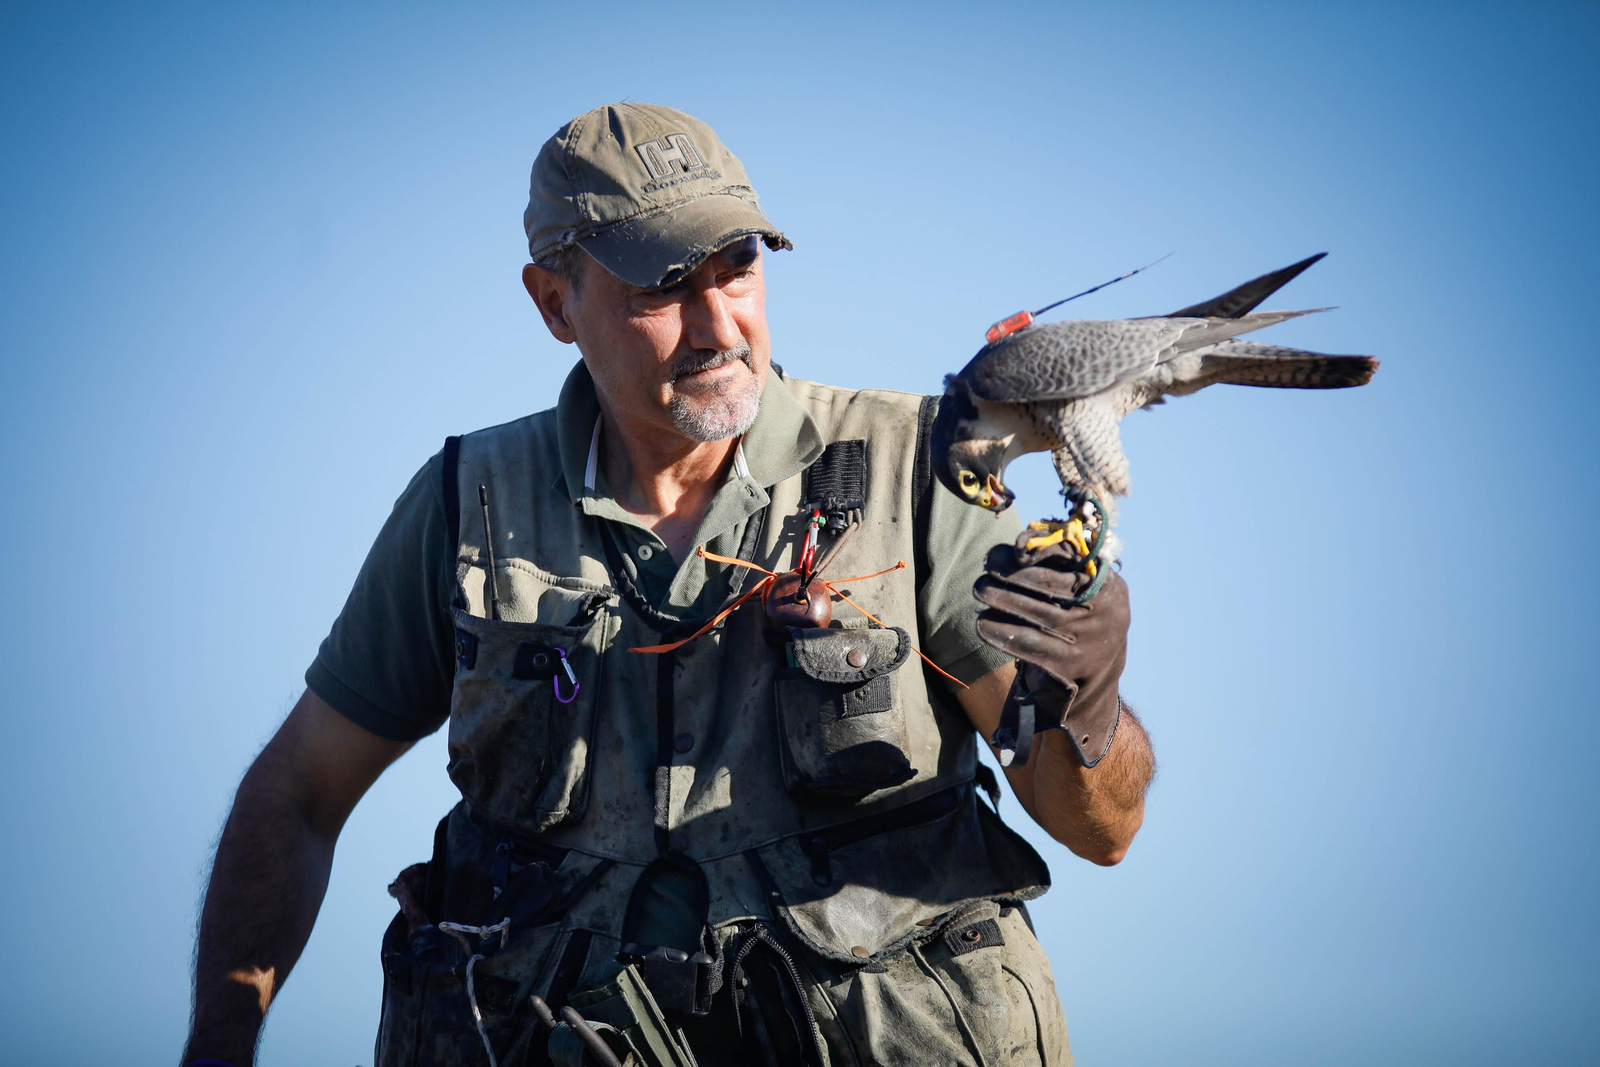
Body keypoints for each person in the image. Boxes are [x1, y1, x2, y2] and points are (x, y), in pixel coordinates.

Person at [182, 102, 1155, 1067]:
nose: (716, 324)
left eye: (737, 267)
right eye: (662, 286)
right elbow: (299, 791)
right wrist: (218, 1044)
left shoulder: (918, 469)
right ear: (554, 303)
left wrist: (1090, 709)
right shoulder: (468, 503)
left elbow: (1099, 826)